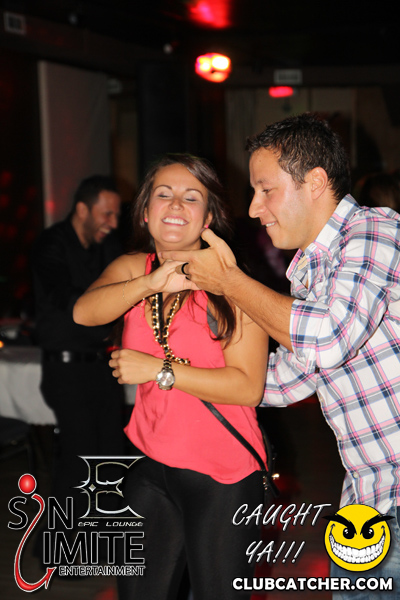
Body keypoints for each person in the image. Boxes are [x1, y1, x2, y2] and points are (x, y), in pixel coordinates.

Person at [160, 115, 400, 598]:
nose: (254, 209)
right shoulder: (312, 269)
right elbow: (284, 380)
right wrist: (172, 369)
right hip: (367, 502)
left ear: (315, 182)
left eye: (265, 190)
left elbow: (327, 339)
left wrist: (230, 282)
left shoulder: (375, 232)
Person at [73, 154, 269, 600]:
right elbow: (84, 312)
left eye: (191, 196)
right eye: (164, 194)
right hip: (150, 465)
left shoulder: (234, 285)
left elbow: (247, 387)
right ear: (146, 212)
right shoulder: (133, 270)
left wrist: (160, 371)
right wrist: (153, 282)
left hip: (222, 476)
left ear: (208, 218)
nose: (176, 204)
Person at [32, 175, 124, 517]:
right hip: (66, 371)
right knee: (77, 465)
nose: (113, 223)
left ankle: (106, 540)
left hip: (102, 369)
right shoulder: (51, 244)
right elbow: (69, 302)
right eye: (106, 214)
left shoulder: (107, 247)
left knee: (112, 462)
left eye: (116, 215)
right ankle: (59, 546)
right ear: (83, 210)